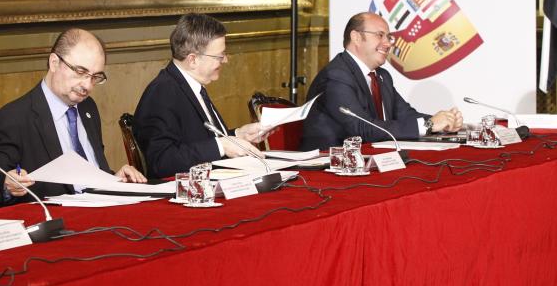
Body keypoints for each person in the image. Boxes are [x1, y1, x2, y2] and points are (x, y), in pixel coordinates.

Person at [0, 29, 146, 206]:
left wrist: (113, 179)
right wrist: (6, 183)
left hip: (101, 213)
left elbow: (88, 174)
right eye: (80, 72)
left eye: (95, 77)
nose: (87, 86)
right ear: (54, 62)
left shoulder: (88, 108)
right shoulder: (14, 118)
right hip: (53, 221)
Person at [299, 12, 464, 151]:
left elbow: (406, 115)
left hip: (371, 161)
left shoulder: (382, 76)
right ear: (356, 37)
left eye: (389, 37)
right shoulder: (336, 76)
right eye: (380, 35)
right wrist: (429, 125)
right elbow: (361, 129)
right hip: (330, 169)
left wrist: (443, 121)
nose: (387, 43)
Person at [133, 13, 268, 179]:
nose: (225, 60)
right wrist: (221, 146)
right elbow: (161, 161)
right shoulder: (162, 93)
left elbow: (200, 140)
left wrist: (237, 135)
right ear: (193, 60)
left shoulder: (191, 85)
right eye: (219, 56)